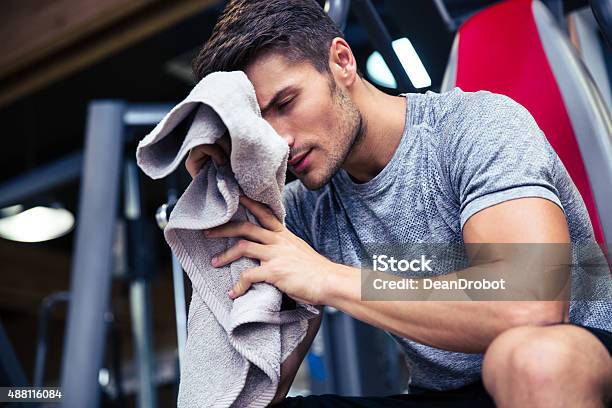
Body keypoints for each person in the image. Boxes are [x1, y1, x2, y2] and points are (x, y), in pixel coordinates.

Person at [184, 0, 612, 406]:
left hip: (577, 356)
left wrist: (329, 278)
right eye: (259, 126)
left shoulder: (476, 126)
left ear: (342, 62)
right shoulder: (298, 212)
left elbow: (530, 306)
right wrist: (224, 186)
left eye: (286, 103)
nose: (280, 141)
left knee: (532, 360)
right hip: (443, 395)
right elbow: (255, 390)